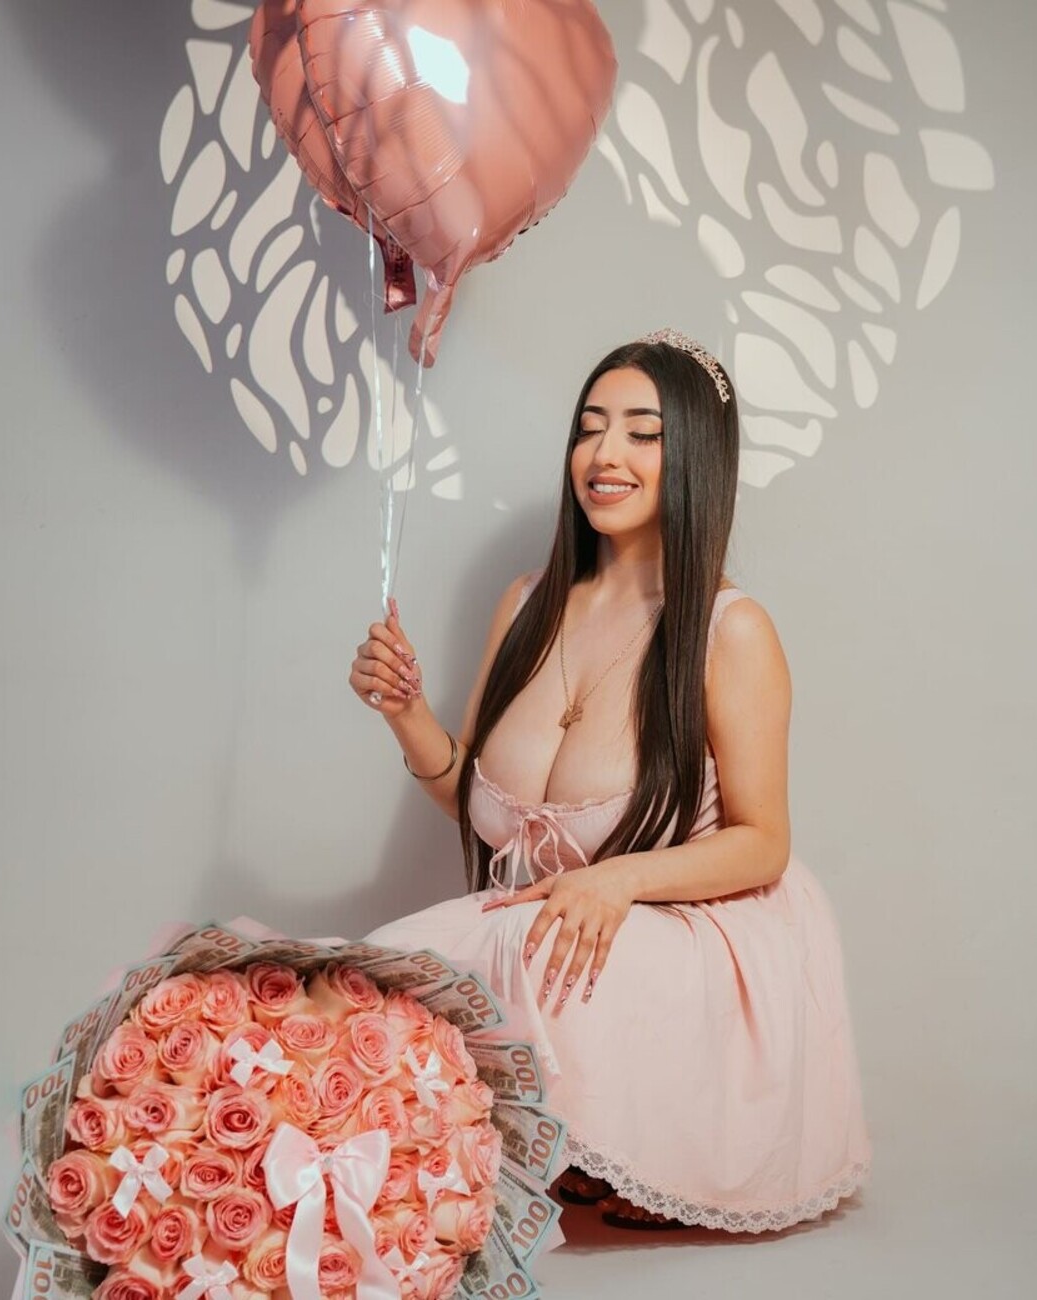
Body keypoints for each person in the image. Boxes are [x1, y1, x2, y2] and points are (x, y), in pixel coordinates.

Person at [348, 330, 873, 1232]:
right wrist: (406, 713)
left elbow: (763, 843)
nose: (605, 454)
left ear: (696, 454)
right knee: (375, 976)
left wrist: (615, 879)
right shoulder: (528, 603)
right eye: (590, 427)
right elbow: (480, 805)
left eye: (642, 432)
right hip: (552, 921)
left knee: (525, 953)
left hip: (693, 931)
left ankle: (643, 1156)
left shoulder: (730, 631)